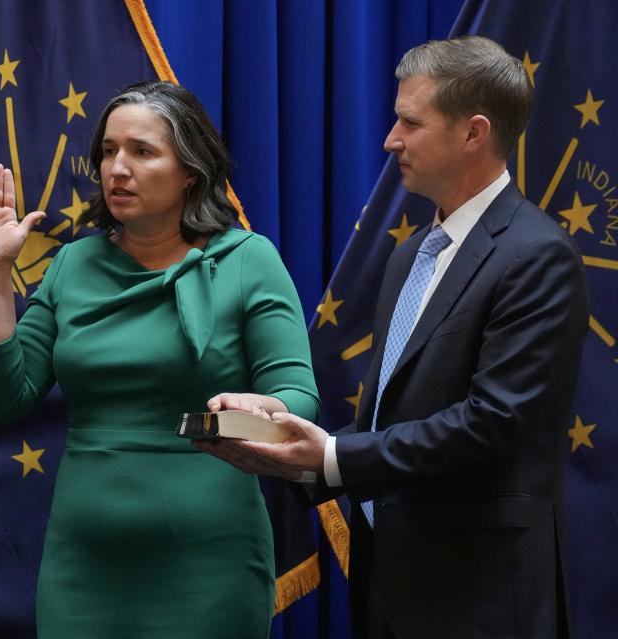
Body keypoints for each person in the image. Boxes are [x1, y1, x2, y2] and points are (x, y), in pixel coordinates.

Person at [197, 36, 589, 638]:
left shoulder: (537, 256)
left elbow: (493, 424)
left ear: (473, 133)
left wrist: (329, 456)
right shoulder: (410, 257)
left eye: (410, 121)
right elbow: (398, 418)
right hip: (390, 585)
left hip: (479, 595)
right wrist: (285, 447)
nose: (390, 140)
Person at [0, 81, 319, 638]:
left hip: (210, 562)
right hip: (85, 565)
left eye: (141, 151)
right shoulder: (71, 264)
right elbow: (5, 399)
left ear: (191, 174)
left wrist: (262, 407)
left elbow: (299, 397)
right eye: (108, 152)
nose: (117, 169)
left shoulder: (249, 260)